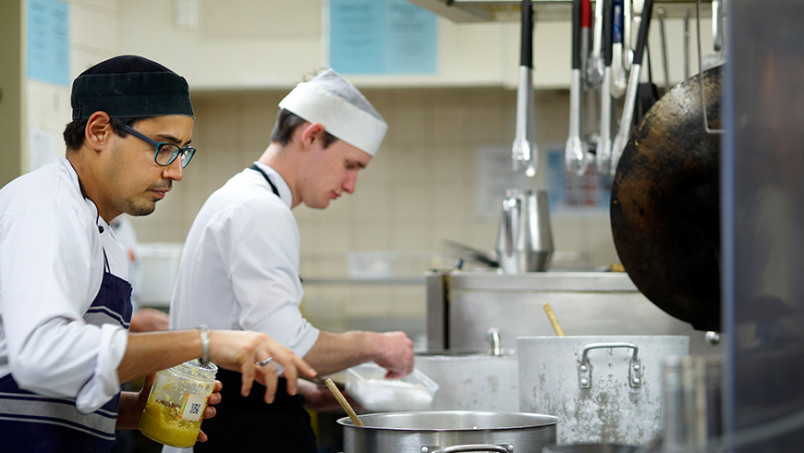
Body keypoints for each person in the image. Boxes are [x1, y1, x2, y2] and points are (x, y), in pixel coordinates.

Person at [0, 55, 315, 452]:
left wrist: (136, 409)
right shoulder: (46, 208)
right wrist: (205, 342)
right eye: (164, 148)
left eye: (183, 151)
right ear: (98, 130)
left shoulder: (101, 230)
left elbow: (59, 386)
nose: (176, 171)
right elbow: (40, 356)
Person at [166, 69, 415, 452]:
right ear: (312, 135)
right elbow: (286, 345)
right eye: (351, 165)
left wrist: (295, 385)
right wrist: (376, 345)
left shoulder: (241, 197)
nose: (350, 186)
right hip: (236, 431)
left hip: (218, 421)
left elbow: (241, 333)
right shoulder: (260, 209)